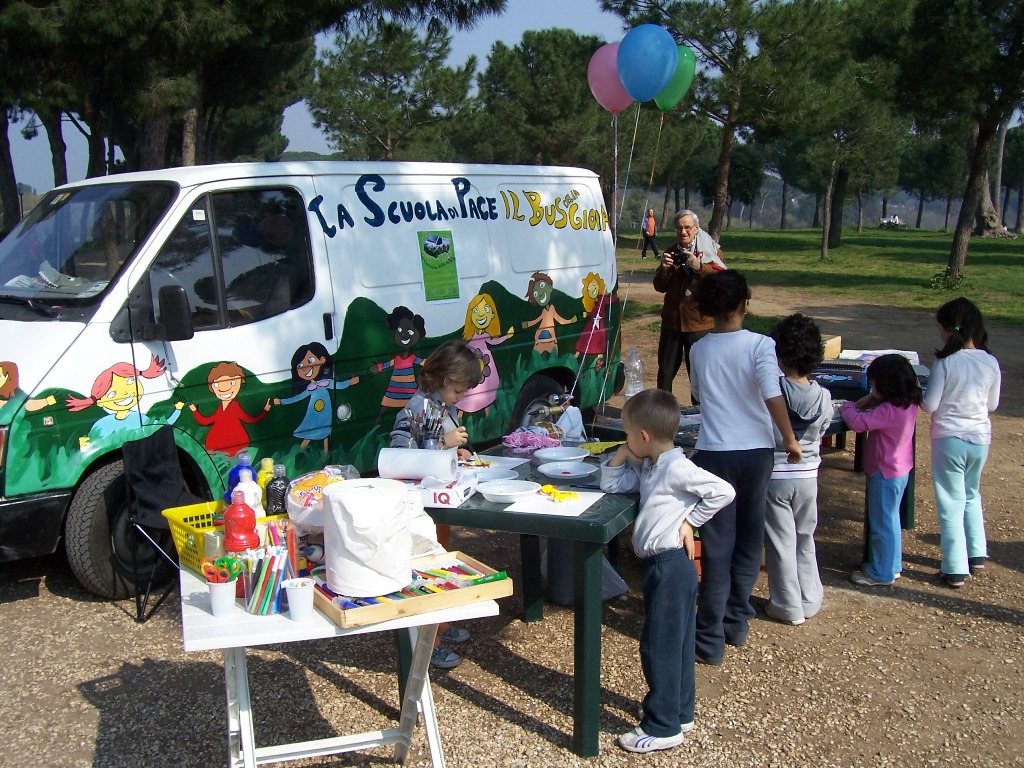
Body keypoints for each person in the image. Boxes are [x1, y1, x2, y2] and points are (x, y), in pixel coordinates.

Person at [599, 388, 734, 754]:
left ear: (644, 435)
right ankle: (680, 712)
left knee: (658, 645)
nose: (625, 441)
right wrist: (620, 456)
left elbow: (723, 492)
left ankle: (661, 726)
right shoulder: (652, 465)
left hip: (670, 565)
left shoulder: (676, 468)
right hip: (668, 567)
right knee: (678, 642)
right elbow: (612, 485)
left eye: (627, 435)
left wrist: (691, 520)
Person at [687, 270, 801, 665]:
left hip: (714, 453)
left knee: (717, 545)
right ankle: (737, 621)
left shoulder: (699, 349)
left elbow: (700, 396)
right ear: (745, 305)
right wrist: (789, 438)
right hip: (755, 454)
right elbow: (772, 393)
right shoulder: (761, 345)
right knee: (750, 539)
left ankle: (709, 638)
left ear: (709, 310)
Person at [390, 339, 483, 668]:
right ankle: (427, 643)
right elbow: (399, 455)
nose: (461, 397)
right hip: (419, 507)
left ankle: (439, 625)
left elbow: (436, 451)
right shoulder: (417, 408)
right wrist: (444, 442)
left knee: (438, 564)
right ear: (444, 380)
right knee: (424, 569)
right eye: (459, 390)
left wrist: (454, 452)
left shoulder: (442, 405)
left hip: (437, 500)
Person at [921, 298, 1001, 588]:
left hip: (949, 437)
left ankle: (954, 566)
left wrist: (919, 393)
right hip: (980, 438)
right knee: (971, 494)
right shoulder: (990, 361)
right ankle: (977, 552)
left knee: (949, 500)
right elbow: (992, 404)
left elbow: (930, 405)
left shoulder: (945, 361)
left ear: (947, 329)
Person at [763, 314, 834, 625]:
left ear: (778, 355)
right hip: (809, 476)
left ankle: (787, 605)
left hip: (776, 475)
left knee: (781, 542)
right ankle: (811, 596)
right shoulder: (825, 396)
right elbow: (824, 428)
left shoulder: (773, 394)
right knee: (805, 537)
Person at [841, 354, 922, 587]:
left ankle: (880, 572)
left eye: (875, 384)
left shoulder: (887, 410)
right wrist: (873, 399)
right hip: (899, 469)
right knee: (891, 519)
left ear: (885, 385)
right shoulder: (908, 403)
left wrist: (848, 405)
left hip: (883, 472)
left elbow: (857, 422)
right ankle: (892, 565)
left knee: (880, 523)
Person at [653, 210, 726, 400]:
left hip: (699, 322)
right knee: (665, 373)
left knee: (700, 375)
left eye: (687, 227)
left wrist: (699, 266)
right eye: (679, 228)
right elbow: (659, 287)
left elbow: (721, 280)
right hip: (672, 323)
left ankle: (700, 414)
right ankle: (662, 414)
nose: (683, 232)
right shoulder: (670, 252)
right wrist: (664, 269)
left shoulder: (711, 251)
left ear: (696, 228)